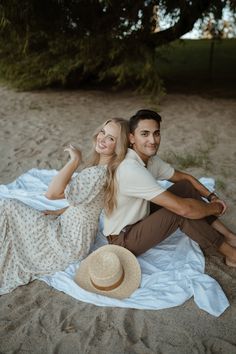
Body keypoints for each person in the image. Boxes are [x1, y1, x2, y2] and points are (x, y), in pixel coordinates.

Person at [0, 118, 129, 295]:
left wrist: (74, 160)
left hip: (67, 241)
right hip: (77, 235)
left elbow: (51, 193)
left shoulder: (97, 173)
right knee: (13, 211)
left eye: (111, 138)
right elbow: (85, 203)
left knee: (9, 206)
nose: (103, 138)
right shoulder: (106, 169)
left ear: (119, 146)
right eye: (103, 132)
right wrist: (58, 211)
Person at [103, 109, 236, 267]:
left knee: (184, 188)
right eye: (144, 134)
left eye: (156, 133)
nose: (152, 140)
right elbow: (184, 210)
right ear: (132, 138)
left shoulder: (149, 159)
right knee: (178, 212)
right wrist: (215, 208)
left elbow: (185, 178)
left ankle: (229, 237)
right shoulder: (131, 169)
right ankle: (232, 256)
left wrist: (211, 197)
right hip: (122, 241)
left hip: (139, 218)